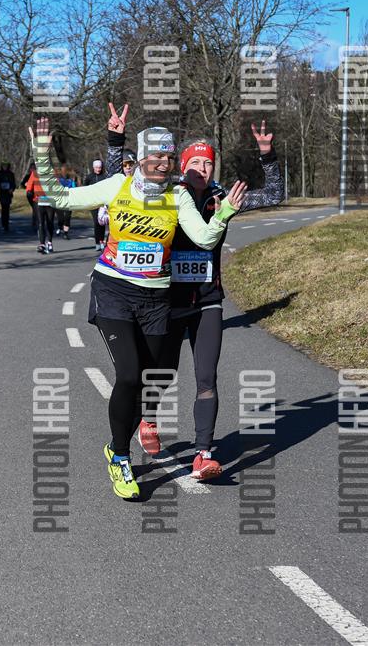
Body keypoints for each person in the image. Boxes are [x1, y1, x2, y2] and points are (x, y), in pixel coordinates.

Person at [31, 114, 247, 500]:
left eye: (168, 158)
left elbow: (203, 238)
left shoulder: (177, 196)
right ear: (142, 158)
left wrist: (225, 212)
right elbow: (61, 197)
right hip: (113, 291)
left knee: (150, 379)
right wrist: (42, 156)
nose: (163, 164)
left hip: (155, 299)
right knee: (129, 375)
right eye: (156, 158)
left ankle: (120, 442)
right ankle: (120, 457)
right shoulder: (118, 184)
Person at [109, 119, 284, 480]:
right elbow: (121, 185)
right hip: (167, 301)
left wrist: (267, 155)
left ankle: (203, 454)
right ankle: (148, 418)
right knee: (163, 372)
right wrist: (115, 141)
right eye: (195, 163)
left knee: (207, 377)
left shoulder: (223, 197)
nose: (203, 169)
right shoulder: (168, 195)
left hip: (207, 300)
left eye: (208, 163)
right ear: (183, 166)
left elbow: (273, 196)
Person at [26, 165, 55, 253]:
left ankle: (49, 242)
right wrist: (29, 192)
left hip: (50, 201)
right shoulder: (34, 173)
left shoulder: (52, 172)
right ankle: (42, 244)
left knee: (50, 222)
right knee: (41, 223)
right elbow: (29, 187)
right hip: (39, 201)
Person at [84, 159, 107, 250]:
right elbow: (85, 188)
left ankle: (101, 240)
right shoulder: (89, 177)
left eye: (100, 167)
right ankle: (97, 242)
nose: (98, 169)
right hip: (93, 203)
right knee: (96, 222)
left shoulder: (104, 177)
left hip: (102, 203)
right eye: (97, 167)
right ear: (93, 168)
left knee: (102, 222)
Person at [0, 161, 16, 232]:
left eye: (6, 165)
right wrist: (0, 185)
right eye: (3, 165)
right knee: (3, 208)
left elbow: (13, 184)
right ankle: (3, 224)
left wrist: (12, 189)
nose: (5, 167)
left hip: (8, 194)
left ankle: (6, 225)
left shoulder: (11, 174)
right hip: (1, 193)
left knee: (7, 208)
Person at [55, 164, 76, 239]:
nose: (64, 172)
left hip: (68, 200)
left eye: (66, 171)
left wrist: (73, 183)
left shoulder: (70, 180)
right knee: (61, 218)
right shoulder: (58, 180)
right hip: (60, 200)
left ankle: (66, 233)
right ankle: (60, 227)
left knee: (67, 217)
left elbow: (74, 189)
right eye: (63, 171)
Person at [21, 162, 38, 229]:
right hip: (30, 195)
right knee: (34, 207)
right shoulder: (28, 176)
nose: (33, 170)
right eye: (32, 168)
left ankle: (35, 222)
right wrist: (26, 185)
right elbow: (22, 184)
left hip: (37, 194)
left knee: (35, 208)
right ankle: (35, 222)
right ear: (30, 169)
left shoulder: (38, 175)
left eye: (34, 168)